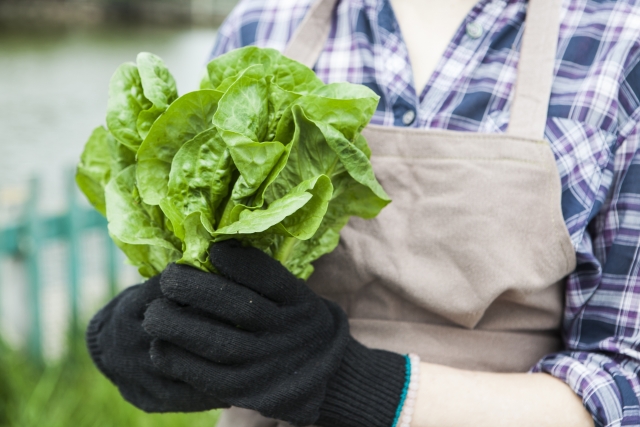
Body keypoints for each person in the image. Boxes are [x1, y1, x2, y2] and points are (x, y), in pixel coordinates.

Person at [85, 0, 640, 426]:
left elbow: (627, 386)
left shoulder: (618, 39)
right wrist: (168, 335)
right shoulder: (264, 23)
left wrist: (356, 383)